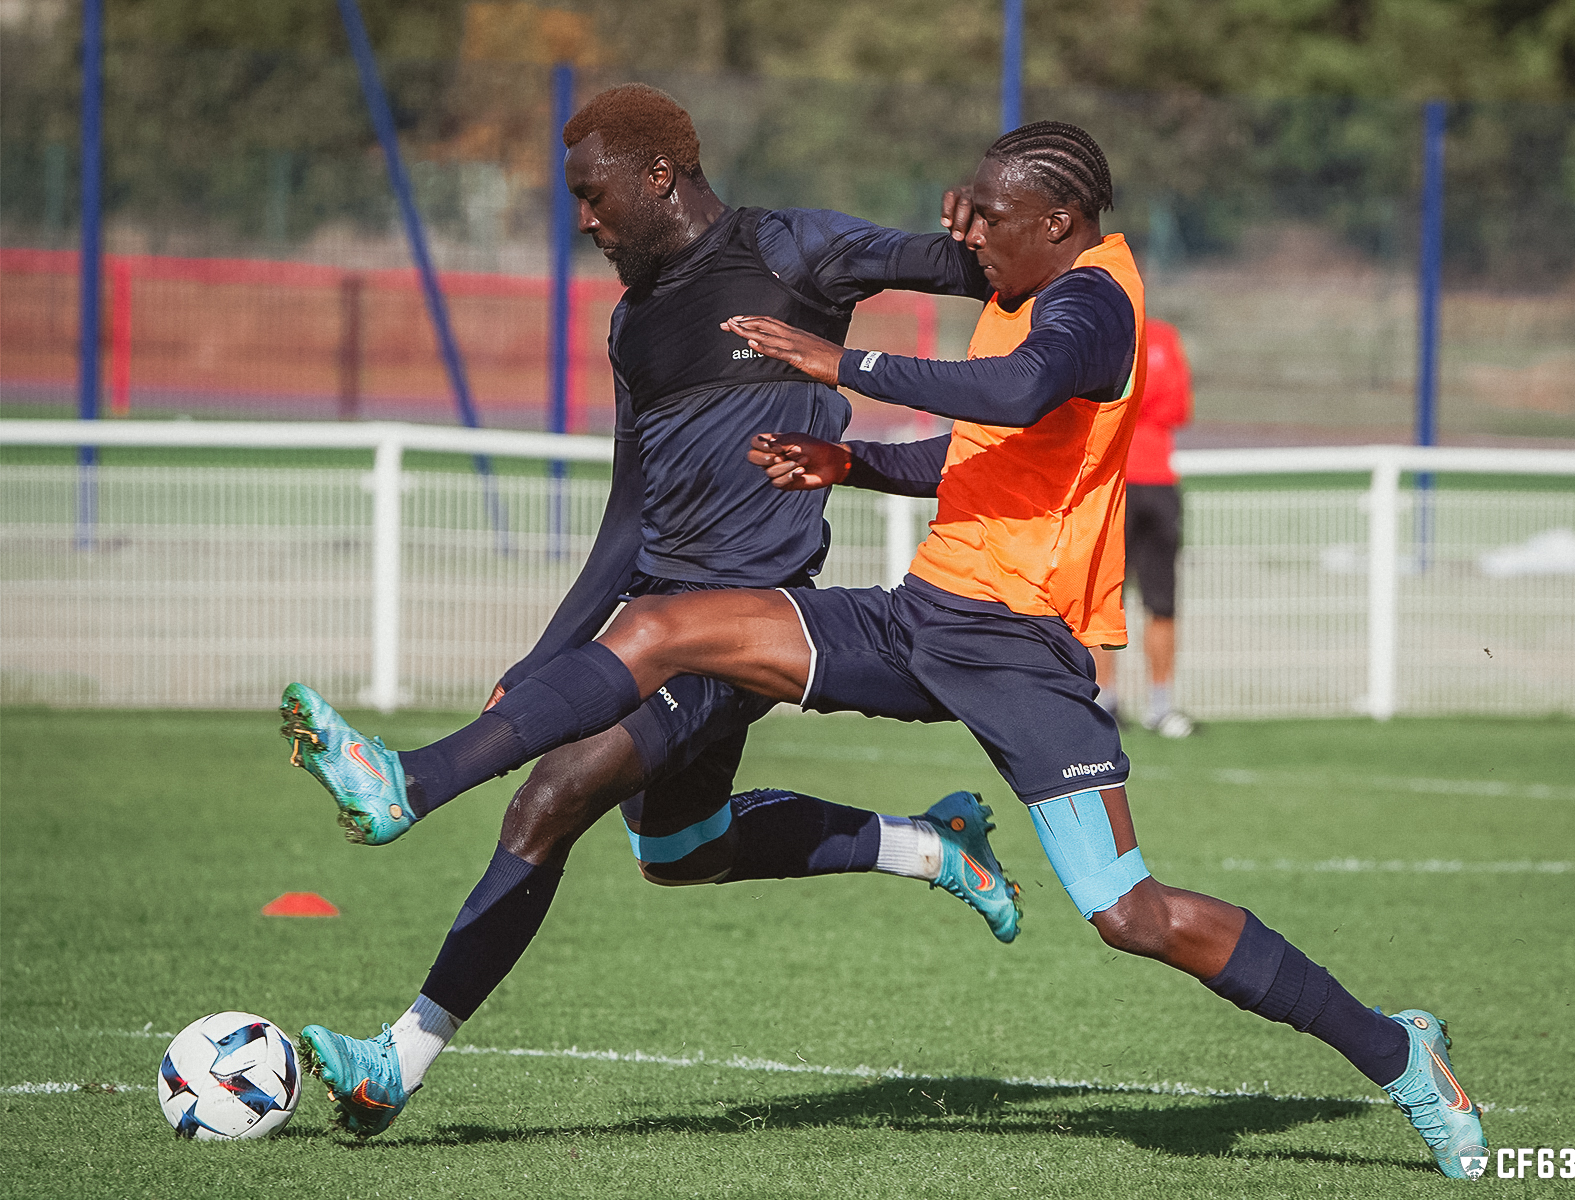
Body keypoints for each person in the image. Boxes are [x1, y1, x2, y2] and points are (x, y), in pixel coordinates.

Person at [285, 120, 1488, 1179]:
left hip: (1019, 654)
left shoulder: (1091, 303)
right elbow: (978, 460)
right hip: (920, 622)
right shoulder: (1025, 281)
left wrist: (837, 366)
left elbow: (1014, 396)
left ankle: (1398, 1052)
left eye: (992, 225)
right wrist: (852, 460)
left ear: (1059, 223)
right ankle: (410, 781)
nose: (970, 245)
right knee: (656, 631)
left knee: (1129, 914)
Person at [281, 84, 1023, 1138]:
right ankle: (935, 845)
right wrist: (544, 660)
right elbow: (629, 516)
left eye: (592, 195)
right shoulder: (634, 326)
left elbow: (972, 271)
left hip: (747, 625)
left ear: (658, 176)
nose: (584, 220)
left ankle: (395, 1010)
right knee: (681, 852)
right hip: (643, 619)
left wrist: (979, 230)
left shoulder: (794, 251)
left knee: (552, 796)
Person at [1089, 315, 1194, 737]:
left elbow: (1178, 405)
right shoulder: (1100, 329)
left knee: (1162, 601)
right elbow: (1102, 399)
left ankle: (1161, 706)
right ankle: (1105, 702)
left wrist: (1135, 398)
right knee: (1103, 601)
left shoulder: (1165, 334)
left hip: (1160, 482)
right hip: (1113, 481)